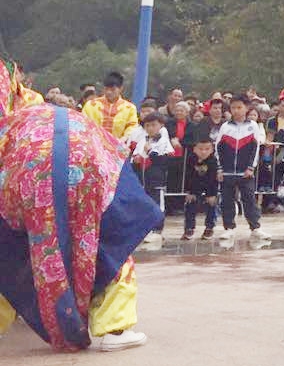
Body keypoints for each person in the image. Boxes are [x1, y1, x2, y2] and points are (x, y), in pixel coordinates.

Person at [0, 58, 159, 351]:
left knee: (10, 245)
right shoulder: (26, 92)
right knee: (110, 241)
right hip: (86, 154)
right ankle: (115, 327)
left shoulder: (12, 93)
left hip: (22, 165)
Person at [216, 95, 271, 242]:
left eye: (239, 107)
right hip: (227, 172)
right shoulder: (225, 127)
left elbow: (255, 148)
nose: (236, 110)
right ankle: (229, 228)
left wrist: (250, 168)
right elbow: (218, 148)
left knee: (249, 200)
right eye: (233, 107)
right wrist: (220, 169)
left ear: (247, 108)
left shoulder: (252, 126)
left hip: (245, 172)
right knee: (227, 200)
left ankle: (255, 228)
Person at [131, 112, 174, 242]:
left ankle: (157, 230)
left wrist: (150, 152)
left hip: (156, 180)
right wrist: (136, 160)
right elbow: (134, 158)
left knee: (157, 205)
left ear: (160, 125)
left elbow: (165, 160)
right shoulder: (142, 141)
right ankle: (145, 229)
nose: (150, 128)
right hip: (143, 180)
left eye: (153, 125)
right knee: (144, 205)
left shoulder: (164, 141)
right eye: (147, 125)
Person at [181, 137, 220, 240]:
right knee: (190, 204)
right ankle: (189, 228)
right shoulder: (190, 159)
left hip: (210, 186)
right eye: (200, 149)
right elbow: (188, 176)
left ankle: (209, 227)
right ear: (194, 149)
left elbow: (213, 179)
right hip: (195, 185)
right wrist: (189, 191)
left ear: (212, 150)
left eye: (207, 149)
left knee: (212, 204)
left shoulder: (213, 161)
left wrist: (212, 194)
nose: (203, 152)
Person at [82, 71, 139, 141]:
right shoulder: (91, 105)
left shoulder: (129, 108)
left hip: (118, 147)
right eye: (106, 89)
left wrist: (122, 140)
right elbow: (84, 124)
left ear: (121, 89)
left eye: (113, 89)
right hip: (94, 145)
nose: (109, 92)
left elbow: (131, 128)